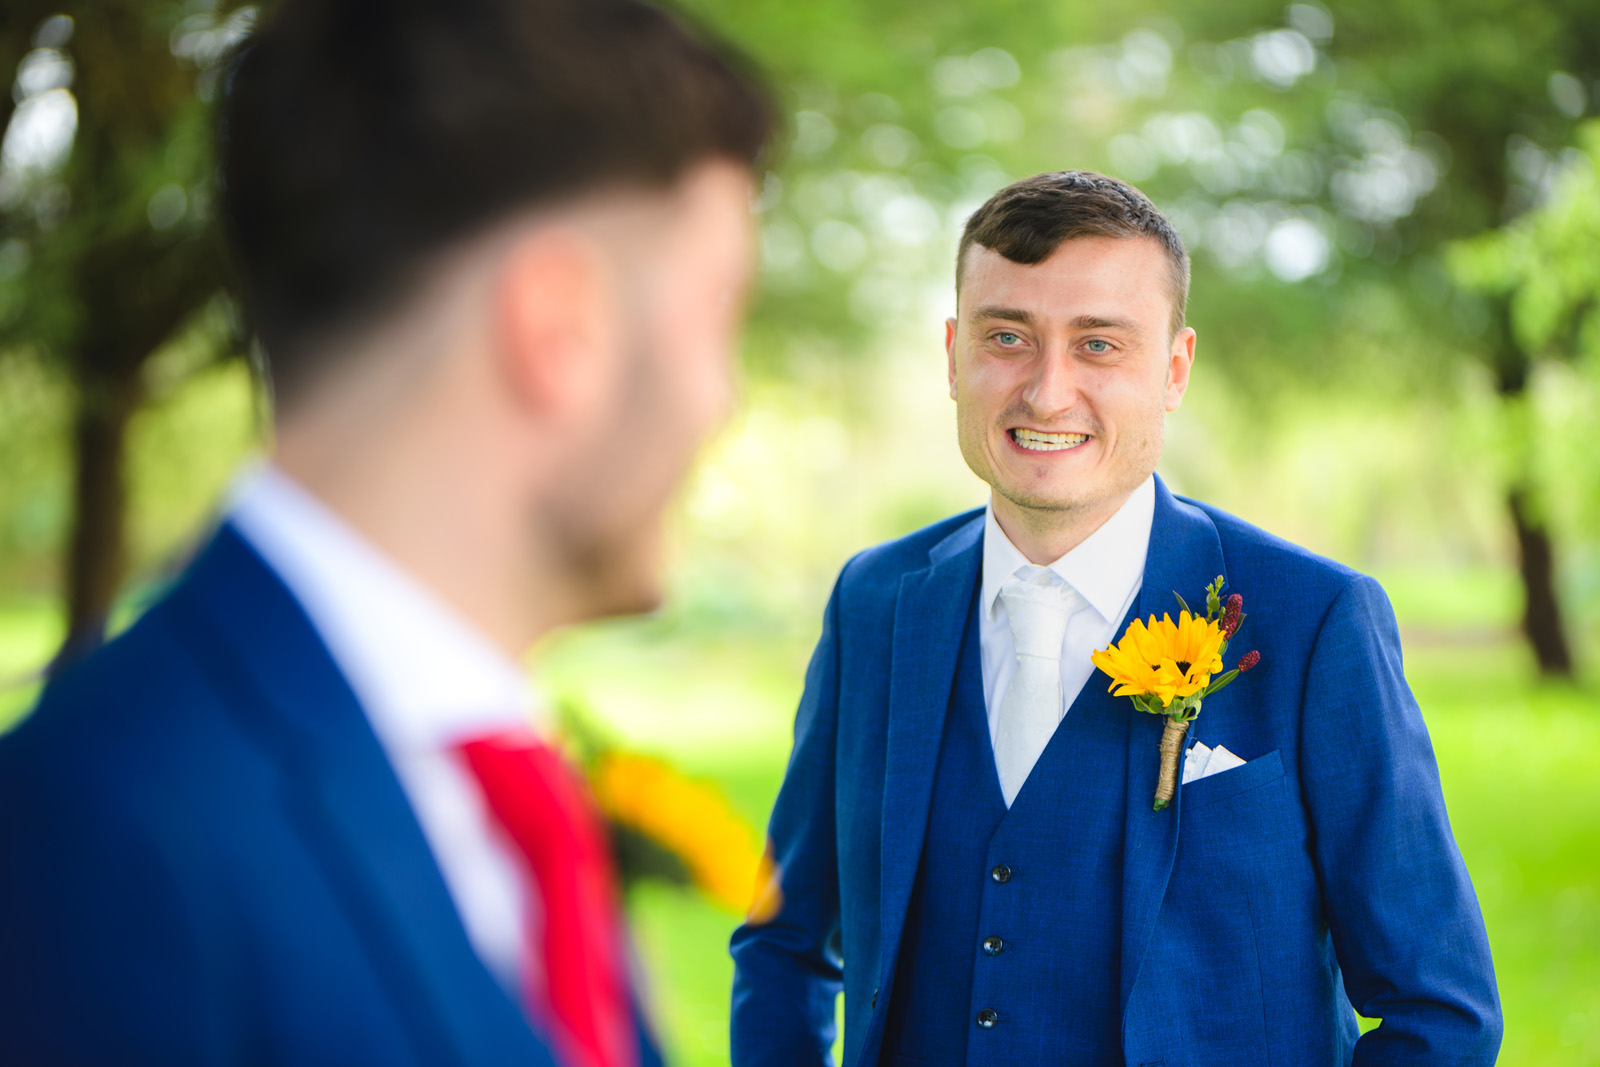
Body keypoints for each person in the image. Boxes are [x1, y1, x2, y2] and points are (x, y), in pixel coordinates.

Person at [0, 0, 770, 1063]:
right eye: (720, 314)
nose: (720, 400)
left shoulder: (510, 789)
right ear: (560, 329)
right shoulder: (94, 837)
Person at [729, 171, 1500, 1066]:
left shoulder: (1315, 620)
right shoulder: (874, 602)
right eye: (1007, 336)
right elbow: (784, 943)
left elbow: (1440, 1011)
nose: (1048, 392)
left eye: (1098, 344)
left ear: (1173, 370)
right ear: (951, 357)